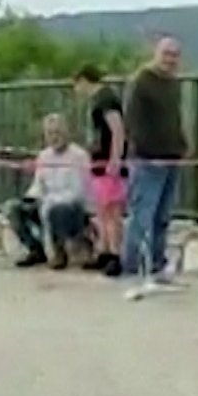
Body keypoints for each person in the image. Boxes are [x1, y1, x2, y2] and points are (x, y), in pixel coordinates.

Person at [119, 37, 189, 283]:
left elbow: (174, 118)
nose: (170, 60)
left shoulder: (173, 84)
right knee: (142, 213)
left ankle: (158, 265)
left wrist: (182, 145)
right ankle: (131, 265)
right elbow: (133, 122)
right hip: (148, 159)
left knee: (163, 216)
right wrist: (146, 152)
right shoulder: (141, 82)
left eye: (175, 55)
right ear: (156, 54)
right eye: (166, 54)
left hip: (172, 156)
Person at [8, 113, 93, 269]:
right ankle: (36, 250)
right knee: (13, 208)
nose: (54, 137)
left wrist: (49, 202)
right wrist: (30, 199)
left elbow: (79, 192)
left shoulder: (79, 156)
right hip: (46, 202)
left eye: (58, 132)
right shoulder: (44, 156)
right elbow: (38, 186)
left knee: (57, 210)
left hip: (72, 207)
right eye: (50, 133)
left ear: (67, 133)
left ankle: (61, 252)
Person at [73, 66, 127, 271]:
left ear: (84, 80)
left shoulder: (106, 100)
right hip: (98, 163)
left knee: (111, 210)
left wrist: (115, 159)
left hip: (107, 164)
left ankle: (114, 253)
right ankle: (104, 251)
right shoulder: (98, 101)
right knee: (102, 211)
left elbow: (117, 130)